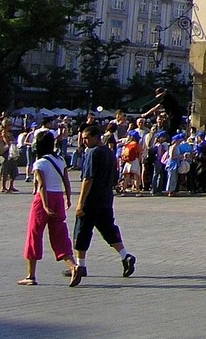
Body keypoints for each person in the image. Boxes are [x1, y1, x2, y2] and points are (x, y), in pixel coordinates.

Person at [72, 122, 136, 283]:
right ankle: (125, 256)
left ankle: (80, 266)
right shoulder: (109, 152)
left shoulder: (93, 153)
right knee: (108, 230)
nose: (84, 141)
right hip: (106, 199)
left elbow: (88, 179)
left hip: (91, 200)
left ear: (95, 137)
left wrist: (80, 203)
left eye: (86, 138)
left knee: (81, 232)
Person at [19, 130, 83, 286]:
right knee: (60, 234)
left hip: (43, 200)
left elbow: (41, 185)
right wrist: (68, 198)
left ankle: (30, 276)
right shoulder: (60, 160)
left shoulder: (39, 163)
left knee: (34, 235)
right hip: (58, 197)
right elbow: (67, 181)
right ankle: (73, 266)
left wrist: (46, 205)